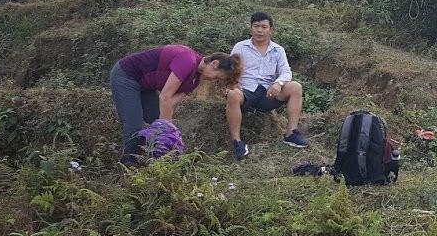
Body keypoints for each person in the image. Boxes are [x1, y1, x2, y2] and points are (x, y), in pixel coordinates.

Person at [111, 45, 242, 166]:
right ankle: (127, 167)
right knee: (134, 125)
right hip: (126, 75)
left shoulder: (195, 80)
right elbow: (165, 97)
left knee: (154, 122)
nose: (213, 81)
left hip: (146, 86)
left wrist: (165, 132)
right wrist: (167, 133)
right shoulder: (187, 60)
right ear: (214, 63)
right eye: (216, 77)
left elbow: (171, 104)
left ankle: (148, 163)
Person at [227, 11, 308, 159]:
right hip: (245, 91)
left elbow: (286, 72)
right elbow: (230, 69)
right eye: (256, 26)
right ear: (250, 27)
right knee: (233, 94)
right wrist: (235, 83)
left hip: (268, 93)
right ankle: (237, 142)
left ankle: (291, 133)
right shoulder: (240, 47)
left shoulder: (278, 50)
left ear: (271, 29)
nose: (259, 30)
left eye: (264, 27)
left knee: (295, 87)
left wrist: (278, 83)